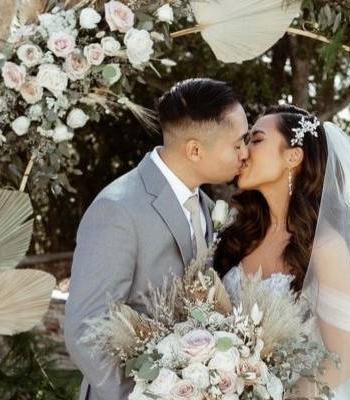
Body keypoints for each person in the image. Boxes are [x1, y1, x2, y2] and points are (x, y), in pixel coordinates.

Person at [65, 78, 250, 400]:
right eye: (237, 144)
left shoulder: (205, 206)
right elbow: (86, 331)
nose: (245, 153)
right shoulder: (118, 209)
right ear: (194, 149)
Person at [214, 105, 350, 399]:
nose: (244, 151)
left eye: (256, 140)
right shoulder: (239, 233)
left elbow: (342, 362)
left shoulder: (326, 249)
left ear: (293, 156)